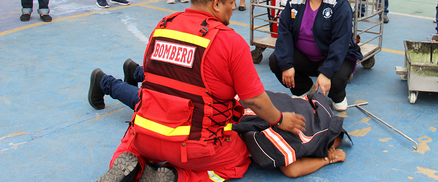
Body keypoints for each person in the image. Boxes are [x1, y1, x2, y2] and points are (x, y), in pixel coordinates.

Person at [94, 0, 306, 182]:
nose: (234, 7)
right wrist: (280, 119)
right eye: (231, 2)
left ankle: (134, 164)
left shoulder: (163, 26)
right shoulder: (229, 42)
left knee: (130, 144)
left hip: (146, 134)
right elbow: (253, 100)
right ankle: (178, 177)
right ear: (216, 4)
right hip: (193, 145)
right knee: (238, 158)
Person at [89, 61, 346, 178]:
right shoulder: (302, 138)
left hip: (235, 99)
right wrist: (328, 159)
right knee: (161, 107)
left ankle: (133, 71)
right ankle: (106, 81)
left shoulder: (306, 105)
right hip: (226, 110)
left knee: (178, 86)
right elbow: (292, 170)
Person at [269, 0, 363, 112]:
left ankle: (338, 94)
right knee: (276, 61)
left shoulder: (339, 5)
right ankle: (306, 90)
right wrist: (287, 64)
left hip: (334, 57)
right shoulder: (295, 1)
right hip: (305, 58)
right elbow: (284, 33)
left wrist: (326, 72)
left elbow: (340, 42)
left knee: (337, 83)